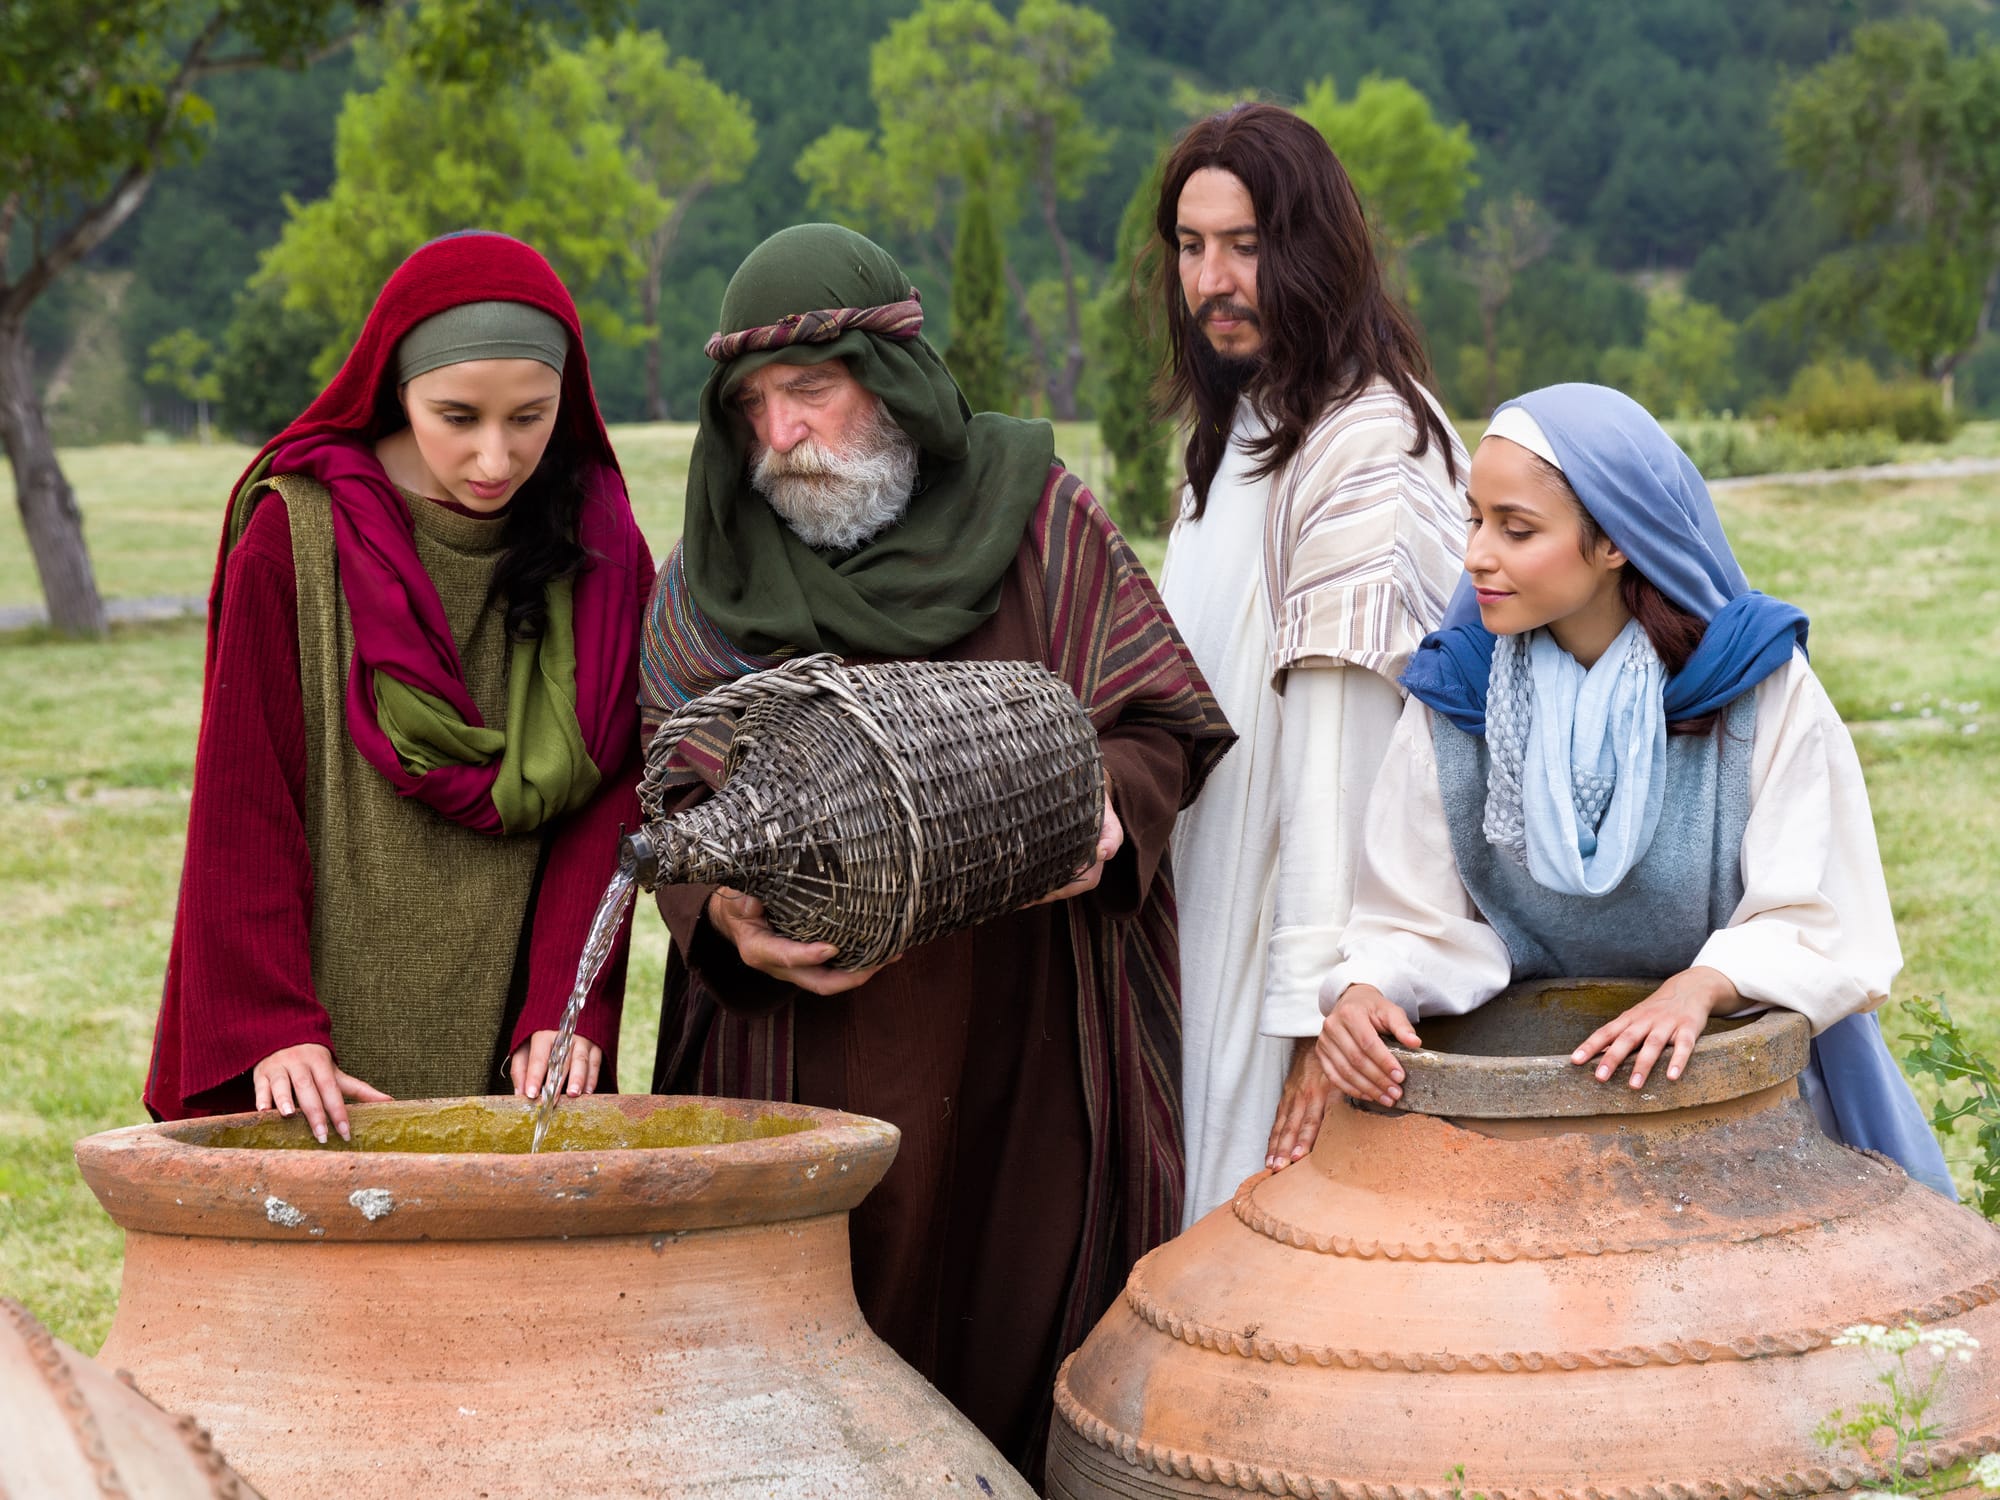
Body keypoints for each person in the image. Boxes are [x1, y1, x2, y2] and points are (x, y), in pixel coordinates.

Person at [642, 223, 1233, 1472]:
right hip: (804, 1034)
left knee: (1019, 1336)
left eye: (811, 390)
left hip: (1023, 1031)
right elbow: (669, 792)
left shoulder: (1040, 521)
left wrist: (1107, 813)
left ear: (894, 379)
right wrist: (725, 918)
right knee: (808, 1384)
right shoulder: (714, 573)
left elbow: (1160, 718)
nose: (780, 436)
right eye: (753, 407)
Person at [1316, 382, 1953, 1197]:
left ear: (1616, 542)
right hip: (1525, 1120)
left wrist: (1703, 985)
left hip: (1738, 1104)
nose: (1476, 553)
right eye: (1474, 519)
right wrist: (1371, 987)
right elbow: (1414, 913)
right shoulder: (1458, 696)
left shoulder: (1754, 686)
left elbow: (1817, 910)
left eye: (1517, 529)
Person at [145, 231, 653, 1142]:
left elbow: (610, 788)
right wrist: (272, 1022)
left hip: (513, 1038)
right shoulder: (291, 535)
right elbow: (243, 793)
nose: (496, 459)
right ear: (397, 389)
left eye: (530, 417)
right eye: (457, 417)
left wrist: (561, 1004)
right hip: (315, 1039)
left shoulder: (604, 552)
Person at [1152, 102, 1470, 1225]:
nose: (1212, 279)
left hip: (1289, 964)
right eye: (1190, 248)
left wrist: (1315, 1026)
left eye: (1244, 245)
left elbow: (1347, 774)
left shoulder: (1367, 444)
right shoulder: (1235, 437)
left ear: (1312, 248)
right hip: (1200, 917)